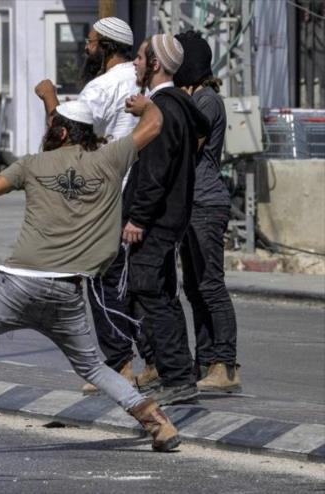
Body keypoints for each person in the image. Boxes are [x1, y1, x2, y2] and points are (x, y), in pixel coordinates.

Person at [0, 99, 182, 458]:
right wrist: (144, 104)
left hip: (16, 285)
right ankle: (158, 423)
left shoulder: (31, 164)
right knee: (92, 366)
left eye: (50, 127)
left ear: (59, 132)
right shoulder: (111, 157)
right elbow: (154, 124)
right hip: (68, 290)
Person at [35, 16, 159, 395]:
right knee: (131, 282)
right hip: (139, 191)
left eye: (90, 42)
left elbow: (64, 134)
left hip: (106, 195)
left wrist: (48, 98)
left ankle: (119, 363)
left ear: (106, 46)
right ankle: (154, 360)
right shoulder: (140, 84)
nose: (86, 49)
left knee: (103, 283)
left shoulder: (102, 86)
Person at [122, 34, 211, 406]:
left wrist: (138, 218)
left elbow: (155, 171)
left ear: (155, 64)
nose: (136, 64)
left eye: (141, 58)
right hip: (169, 217)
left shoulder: (164, 109)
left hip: (156, 219)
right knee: (158, 292)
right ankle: (178, 373)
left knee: (150, 294)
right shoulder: (174, 106)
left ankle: (176, 376)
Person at [173, 31, 241, 393]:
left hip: (206, 201)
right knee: (194, 286)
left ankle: (226, 364)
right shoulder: (194, 99)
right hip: (190, 203)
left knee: (211, 285)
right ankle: (207, 359)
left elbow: (186, 143)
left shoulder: (206, 100)